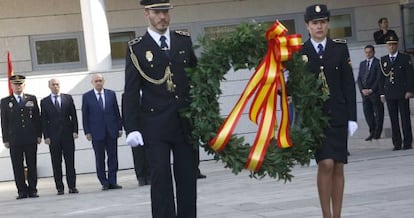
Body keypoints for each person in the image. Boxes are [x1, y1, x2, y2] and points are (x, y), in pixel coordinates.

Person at [123, 0, 198, 217]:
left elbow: (196, 78)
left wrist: (202, 114)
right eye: (157, 12)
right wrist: (132, 128)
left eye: (165, 11)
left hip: (184, 123)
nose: (162, 17)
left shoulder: (182, 41)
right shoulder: (137, 48)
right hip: (154, 125)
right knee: (161, 178)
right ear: (147, 14)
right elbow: (130, 91)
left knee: (187, 177)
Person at [301, 4, 357, 218]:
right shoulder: (300, 52)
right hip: (317, 119)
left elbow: (348, 85)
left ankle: (337, 215)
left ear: (328, 24)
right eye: (315, 23)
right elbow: (294, 88)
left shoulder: (340, 49)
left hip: (339, 116)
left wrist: (352, 117)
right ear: (307, 25)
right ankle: (326, 215)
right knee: (326, 163)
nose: (319, 26)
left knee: (339, 166)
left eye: (323, 22)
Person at [1, 75, 42, 200]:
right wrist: (5, 139)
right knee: (17, 166)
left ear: (24, 85)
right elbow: (4, 122)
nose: (18, 86)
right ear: (11, 86)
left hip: (30, 137)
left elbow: (37, 118)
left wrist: (39, 135)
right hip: (15, 139)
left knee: (32, 164)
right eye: (15, 84)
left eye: (20, 84)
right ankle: (22, 191)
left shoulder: (31, 98)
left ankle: (33, 189)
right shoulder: (5, 101)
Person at [82, 73, 123, 190]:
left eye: (100, 80)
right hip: (96, 132)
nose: (98, 83)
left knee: (113, 157)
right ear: (92, 83)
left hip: (111, 131)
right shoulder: (87, 96)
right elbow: (85, 115)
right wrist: (87, 132)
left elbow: (116, 111)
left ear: (103, 81)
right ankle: (104, 182)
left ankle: (112, 181)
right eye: (96, 81)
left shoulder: (111, 94)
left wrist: (119, 127)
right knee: (100, 158)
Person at [40, 78, 79, 195]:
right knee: (56, 163)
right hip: (53, 137)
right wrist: (46, 136)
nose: (55, 86)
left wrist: (75, 131)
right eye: (53, 85)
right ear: (49, 86)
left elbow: (74, 115)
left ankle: (72, 186)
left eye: (57, 84)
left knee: (70, 162)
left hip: (67, 135)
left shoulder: (67, 98)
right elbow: (44, 120)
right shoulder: (44, 101)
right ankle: (59, 187)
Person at [378, 35, 414, 150]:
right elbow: (381, 78)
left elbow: (410, 75)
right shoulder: (383, 60)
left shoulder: (404, 58)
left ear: (397, 45)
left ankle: (407, 142)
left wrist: (409, 90)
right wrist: (382, 93)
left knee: (405, 118)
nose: (391, 47)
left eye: (393, 44)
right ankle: (397, 143)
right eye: (389, 45)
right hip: (389, 93)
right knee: (393, 119)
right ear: (387, 46)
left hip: (402, 92)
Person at [357, 45, 384, 141]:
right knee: (368, 114)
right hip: (365, 94)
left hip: (374, 93)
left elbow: (378, 79)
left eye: (369, 52)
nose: (368, 54)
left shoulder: (378, 63)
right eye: (366, 52)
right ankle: (372, 132)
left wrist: (371, 89)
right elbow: (359, 78)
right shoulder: (362, 64)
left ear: (373, 52)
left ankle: (377, 133)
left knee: (378, 113)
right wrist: (362, 90)